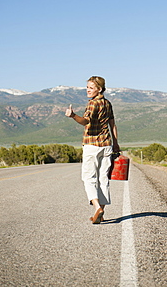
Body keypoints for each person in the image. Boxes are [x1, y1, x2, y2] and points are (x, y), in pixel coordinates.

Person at [65, 76, 120, 224]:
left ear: (99, 89)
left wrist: (73, 116)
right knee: (103, 179)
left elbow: (85, 121)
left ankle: (97, 208)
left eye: (91, 88)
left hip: (92, 145)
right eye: (87, 87)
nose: (87, 90)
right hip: (107, 145)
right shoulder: (108, 104)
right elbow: (112, 125)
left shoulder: (92, 104)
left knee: (89, 178)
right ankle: (100, 212)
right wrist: (115, 143)